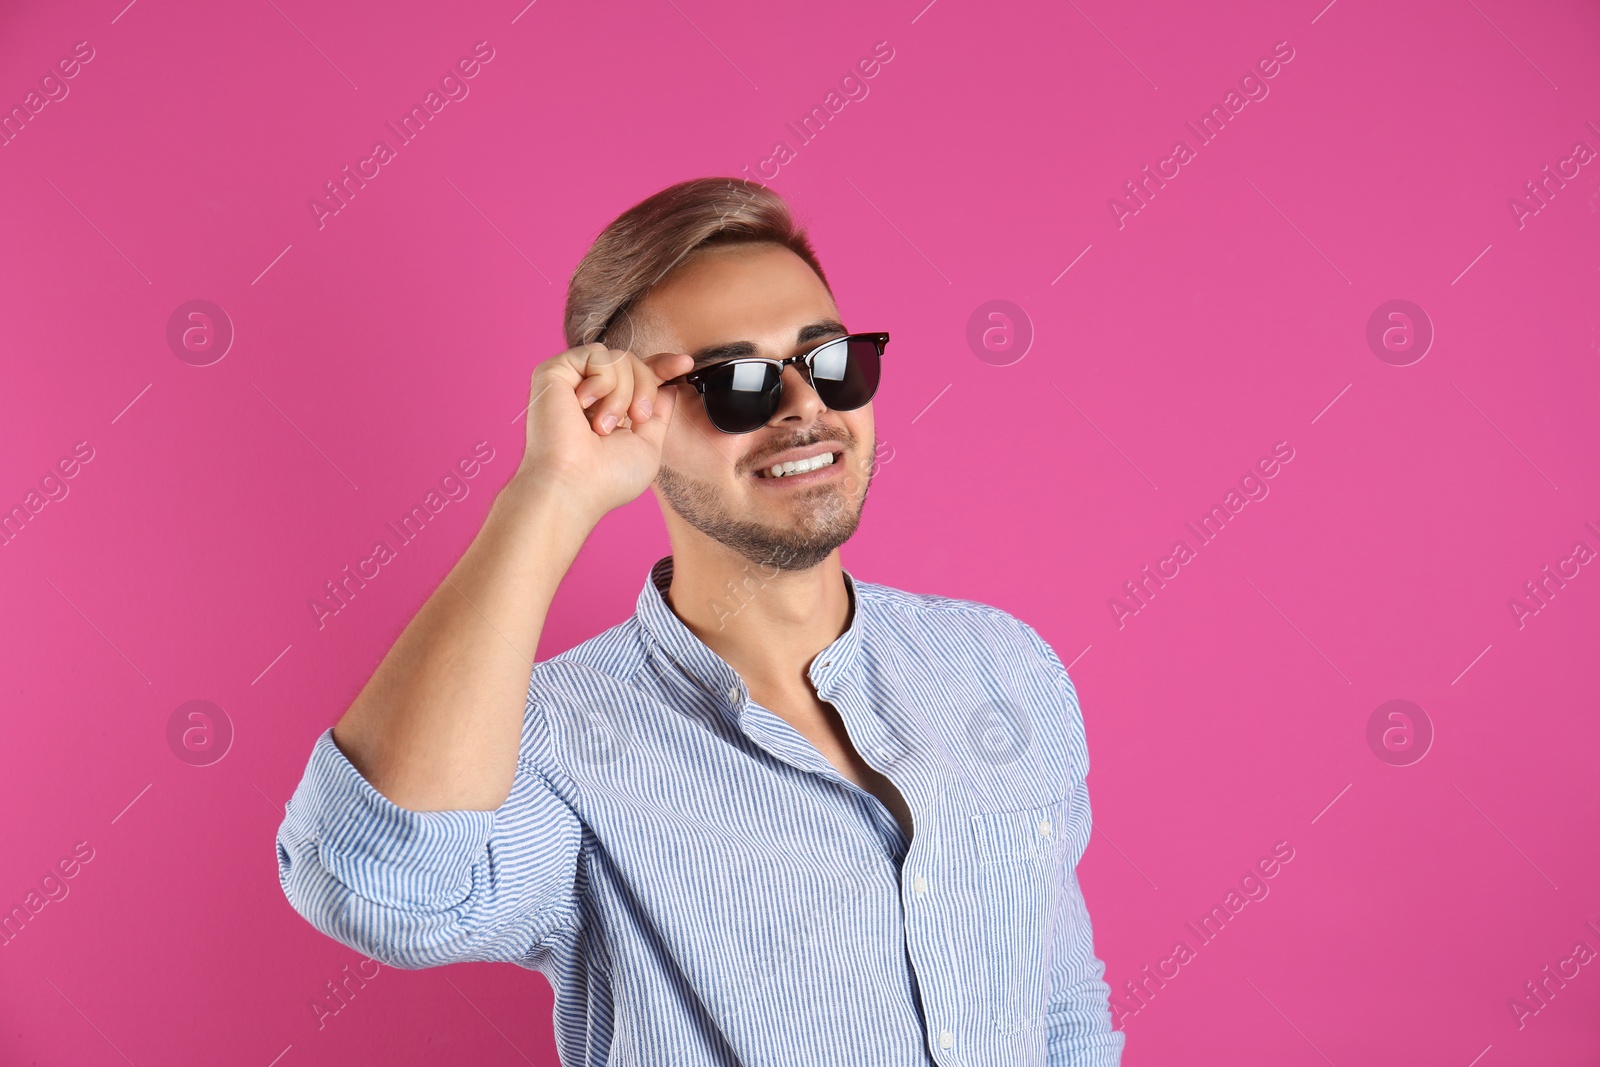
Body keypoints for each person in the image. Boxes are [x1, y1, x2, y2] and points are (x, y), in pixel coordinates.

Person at [274, 176, 1124, 1065]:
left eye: (830, 361)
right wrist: (550, 493)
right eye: (737, 384)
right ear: (626, 418)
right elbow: (379, 886)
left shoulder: (1000, 666)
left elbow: (1060, 1011)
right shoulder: (557, 743)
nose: (805, 409)